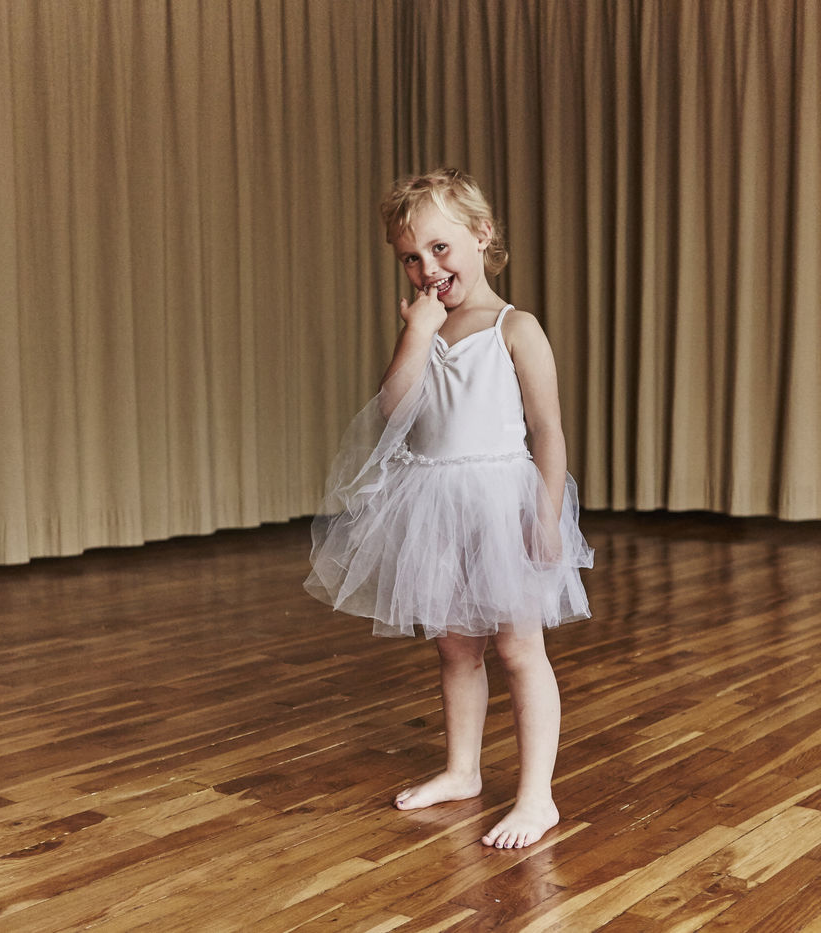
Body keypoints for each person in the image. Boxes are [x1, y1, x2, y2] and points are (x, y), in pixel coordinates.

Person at [305, 168, 592, 849]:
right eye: (411, 257)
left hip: (501, 505)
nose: (427, 269)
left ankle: (537, 796)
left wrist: (547, 515)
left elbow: (547, 429)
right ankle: (463, 769)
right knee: (455, 647)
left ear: (482, 235)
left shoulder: (515, 327)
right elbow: (393, 410)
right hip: (432, 503)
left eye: (440, 248)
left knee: (519, 647)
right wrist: (416, 334)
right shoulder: (423, 326)